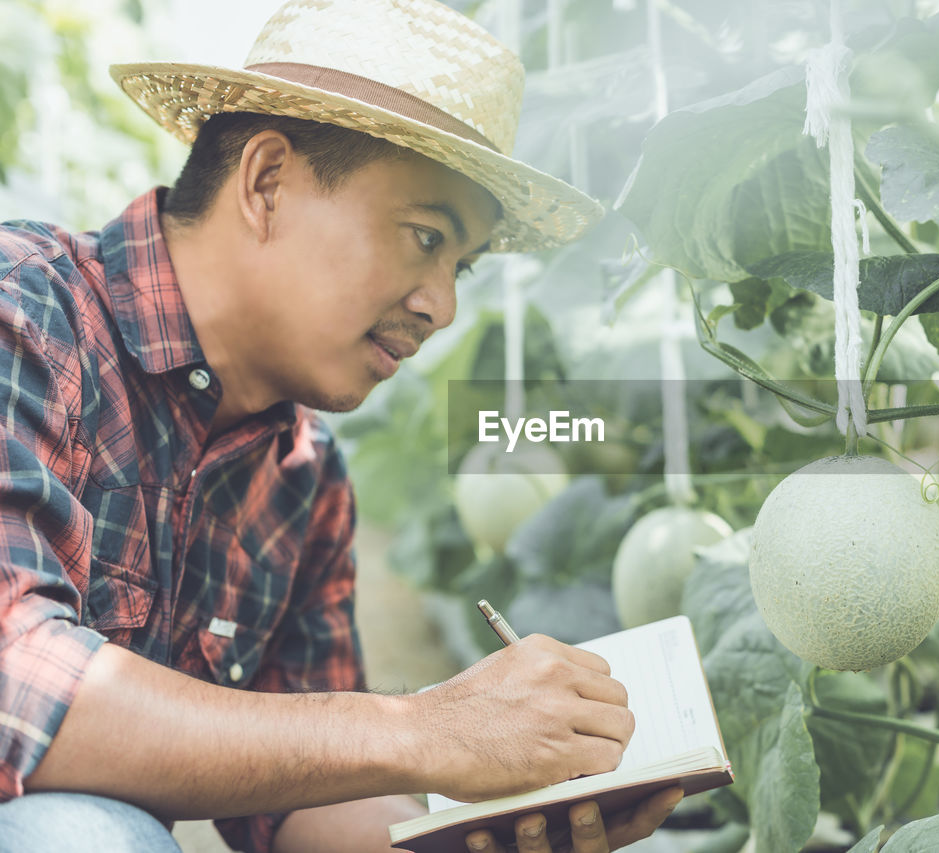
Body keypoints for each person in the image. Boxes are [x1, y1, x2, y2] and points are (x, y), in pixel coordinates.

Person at [0, 1, 683, 851]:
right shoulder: (24, 312)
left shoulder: (304, 478)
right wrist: (427, 729)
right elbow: (13, 688)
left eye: (459, 264)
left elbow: (305, 810)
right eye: (425, 236)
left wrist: (490, 831)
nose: (442, 304)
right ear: (267, 183)